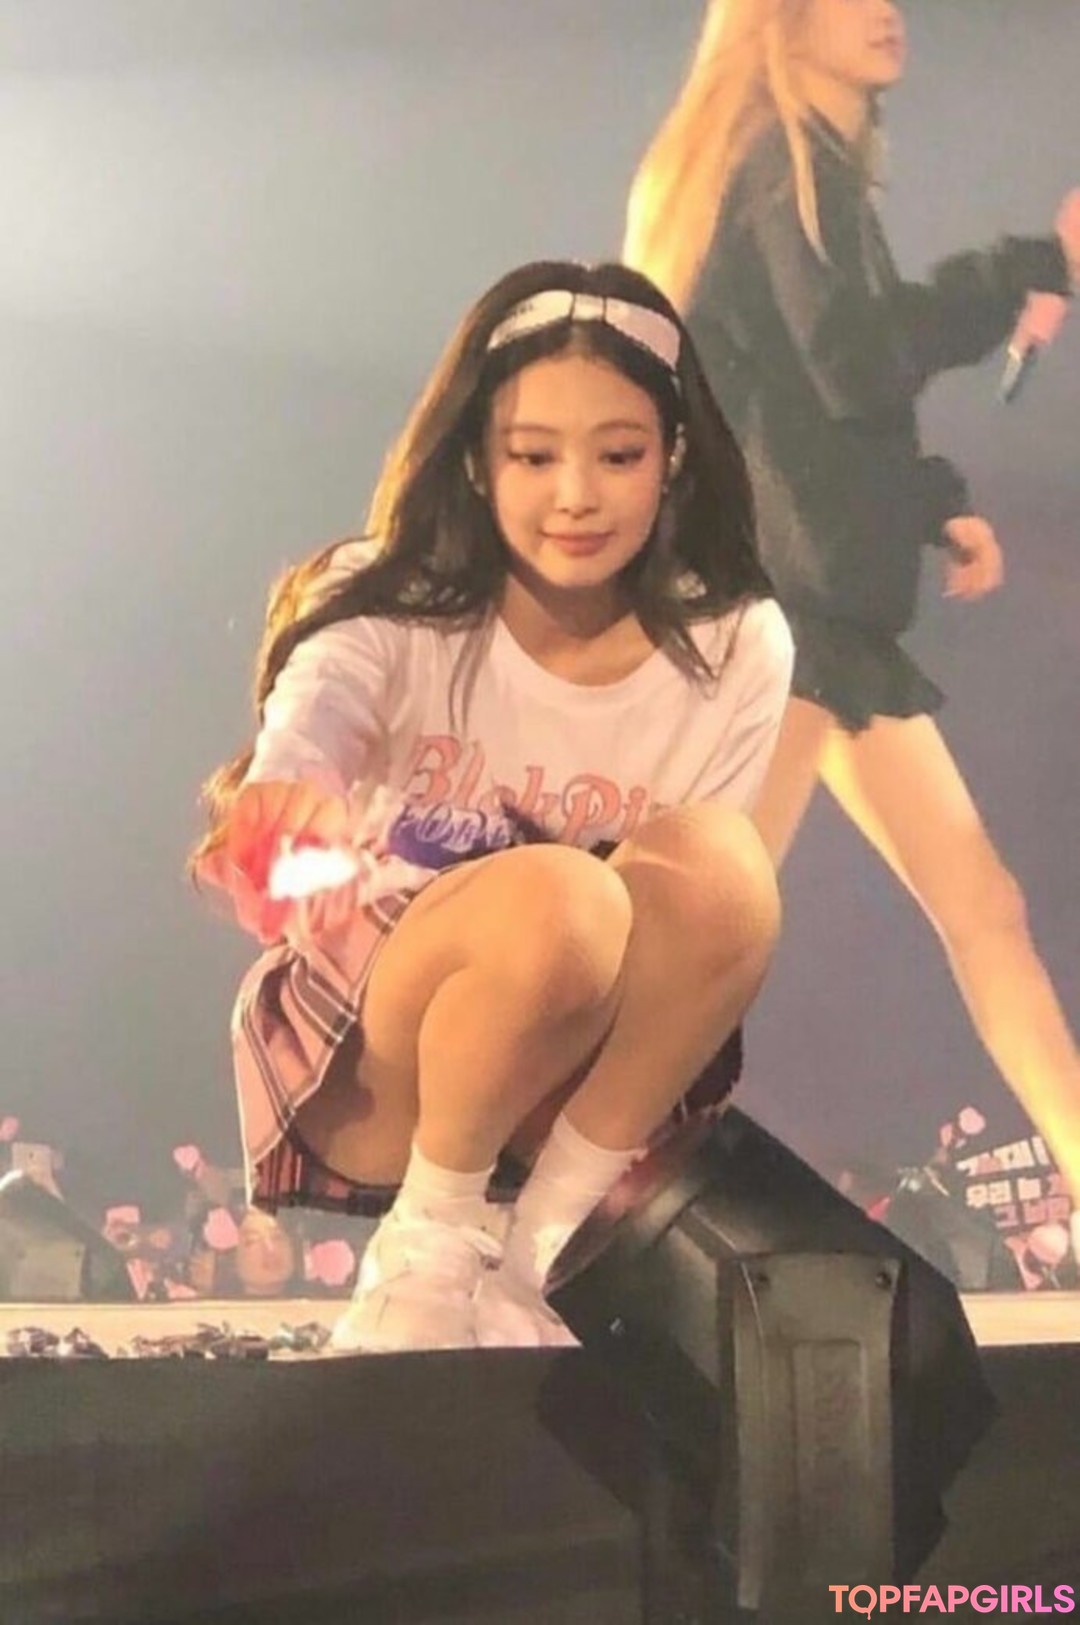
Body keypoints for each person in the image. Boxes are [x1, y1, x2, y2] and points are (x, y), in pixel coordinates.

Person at [191, 258, 794, 1353]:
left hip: (586, 1076)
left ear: (674, 457)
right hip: (385, 1051)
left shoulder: (735, 642)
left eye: (619, 454)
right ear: (475, 459)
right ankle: (423, 1250)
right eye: (533, 455)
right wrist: (290, 797)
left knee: (725, 867)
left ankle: (540, 1257)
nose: (577, 495)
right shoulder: (388, 597)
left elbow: (700, 927)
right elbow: (314, 715)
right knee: (561, 900)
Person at [622, 0, 1080, 1239]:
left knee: (984, 907)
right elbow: (854, 361)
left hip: (820, 607)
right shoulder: (780, 165)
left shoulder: (799, 169)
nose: (887, 10)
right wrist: (1025, 267)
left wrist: (933, 502)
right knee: (711, 933)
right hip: (782, 609)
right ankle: (543, 1195)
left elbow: (816, 402)